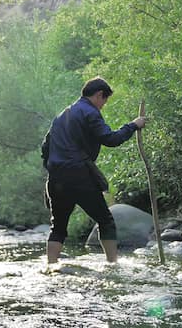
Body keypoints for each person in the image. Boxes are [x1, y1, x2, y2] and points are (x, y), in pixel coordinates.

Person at [41, 76, 146, 263]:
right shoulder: (90, 112)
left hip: (56, 178)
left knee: (57, 227)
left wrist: (55, 169)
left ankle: (51, 267)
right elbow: (110, 139)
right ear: (99, 95)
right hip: (80, 177)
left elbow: (45, 148)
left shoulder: (61, 116)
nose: (103, 105)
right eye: (104, 100)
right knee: (106, 221)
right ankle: (112, 266)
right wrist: (133, 125)